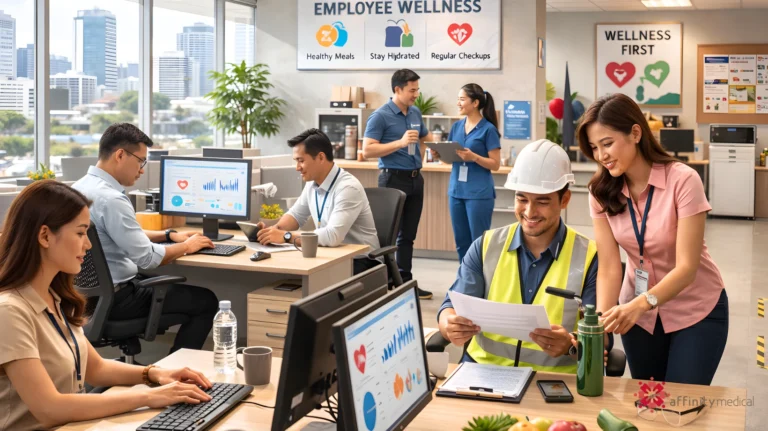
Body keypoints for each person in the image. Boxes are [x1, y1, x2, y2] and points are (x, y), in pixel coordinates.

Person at [0, 180, 214, 431]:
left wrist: (154, 374)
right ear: (45, 236)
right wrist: (149, 397)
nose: (88, 245)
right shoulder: (10, 312)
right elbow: (50, 408)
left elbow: (96, 369)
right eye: (80, 233)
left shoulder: (55, 298)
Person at [579, 93, 728, 385]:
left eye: (607, 143)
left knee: (680, 408)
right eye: (595, 148)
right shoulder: (600, 192)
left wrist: (640, 304)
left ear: (636, 133)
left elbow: (686, 268)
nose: (601, 156)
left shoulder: (682, 181)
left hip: (696, 308)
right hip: (639, 317)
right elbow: (610, 266)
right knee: (650, 403)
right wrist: (601, 328)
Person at [438, 140, 609, 372]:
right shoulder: (487, 245)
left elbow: (603, 337)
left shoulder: (590, 257)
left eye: (542, 201)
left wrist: (571, 345)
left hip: (552, 384)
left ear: (564, 200)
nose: (529, 212)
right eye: (522, 199)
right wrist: (448, 324)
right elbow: (450, 305)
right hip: (482, 373)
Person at [73, 123, 219, 354]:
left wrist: (168, 235)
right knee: (207, 301)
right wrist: (187, 246)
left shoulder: (78, 188)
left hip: (85, 299)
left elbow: (116, 234)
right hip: (118, 300)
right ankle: (175, 375)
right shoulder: (112, 199)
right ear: (120, 155)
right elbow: (148, 258)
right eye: (141, 161)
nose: (142, 169)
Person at [256, 128, 381, 274]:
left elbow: (332, 236)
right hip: (331, 255)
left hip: (362, 261)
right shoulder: (312, 183)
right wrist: (274, 230)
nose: (297, 168)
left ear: (321, 158)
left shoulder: (348, 188)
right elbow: (296, 215)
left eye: (301, 161)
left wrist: (286, 236)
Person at [363, 69, 434, 299]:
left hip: (416, 179)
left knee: (408, 236)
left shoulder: (415, 112)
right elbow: (368, 149)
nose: (416, 94)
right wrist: (400, 142)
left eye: (417, 89)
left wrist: (439, 146)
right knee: (388, 236)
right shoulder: (380, 116)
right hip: (392, 178)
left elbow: (424, 136)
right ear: (397, 89)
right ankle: (384, 283)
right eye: (412, 90)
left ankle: (404, 282)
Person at [433, 83, 501, 261]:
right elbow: (451, 159)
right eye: (458, 99)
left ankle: (481, 283)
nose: (458, 103)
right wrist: (439, 154)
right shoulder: (456, 127)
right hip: (456, 192)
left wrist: (475, 157)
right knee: (461, 242)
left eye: (462, 99)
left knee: (478, 243)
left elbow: (495, 164)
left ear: (475, 103)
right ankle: (465, 280)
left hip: (478, 194)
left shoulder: (488, 130)